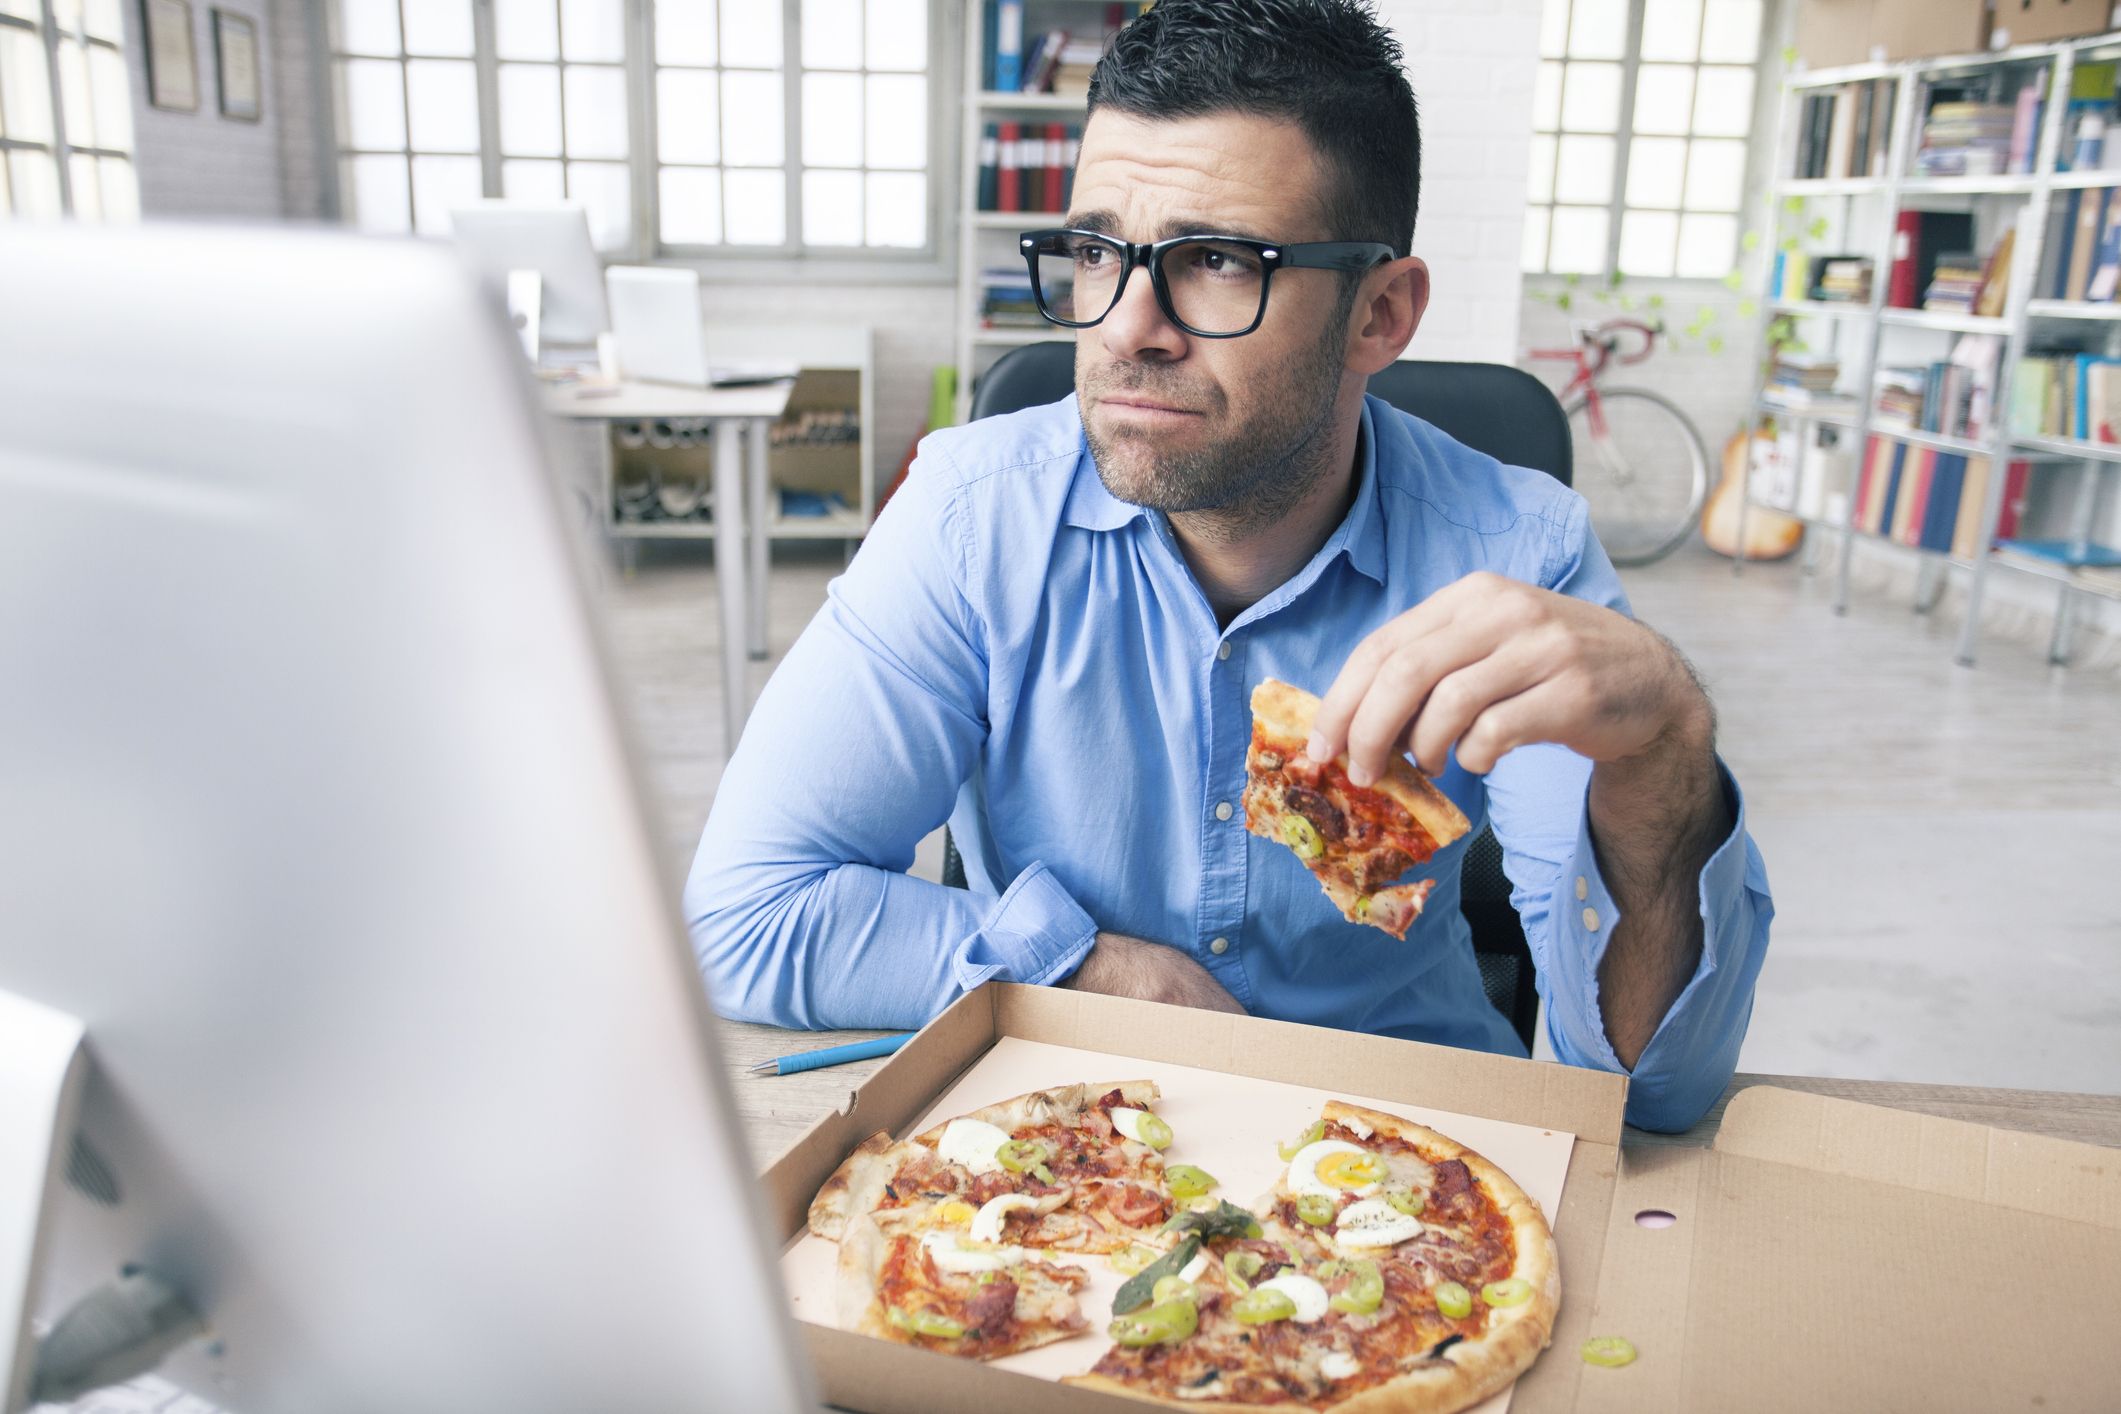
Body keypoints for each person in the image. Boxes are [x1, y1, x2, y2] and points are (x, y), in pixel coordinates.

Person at [686, 0, 1772, 1132]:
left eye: (1215, 261)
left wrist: (1662, 760)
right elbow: (749, 913)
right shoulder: (969, 519)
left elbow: (1653, 1090)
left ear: (1380, 313)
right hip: (1087, 1148)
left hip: (1419, 1162)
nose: (1125, 328)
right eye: (1099, 250)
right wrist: (1094, 966)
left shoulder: (1519, 553)